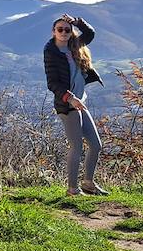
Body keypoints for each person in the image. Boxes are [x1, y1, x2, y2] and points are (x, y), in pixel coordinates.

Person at [43, 13, 106, 195]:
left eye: (67, 29)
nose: (63, 32)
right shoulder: (51, 52)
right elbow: (52, 83)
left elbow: (90, 33)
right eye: (60, 29)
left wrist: (78, 22)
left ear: (71, 32)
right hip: (68, 105)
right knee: (76, 146)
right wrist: (70, 98)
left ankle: (88, 183)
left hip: (80, 101)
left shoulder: (75, 45)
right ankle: (72, 189)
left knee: (95, 145)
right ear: (53, 32)